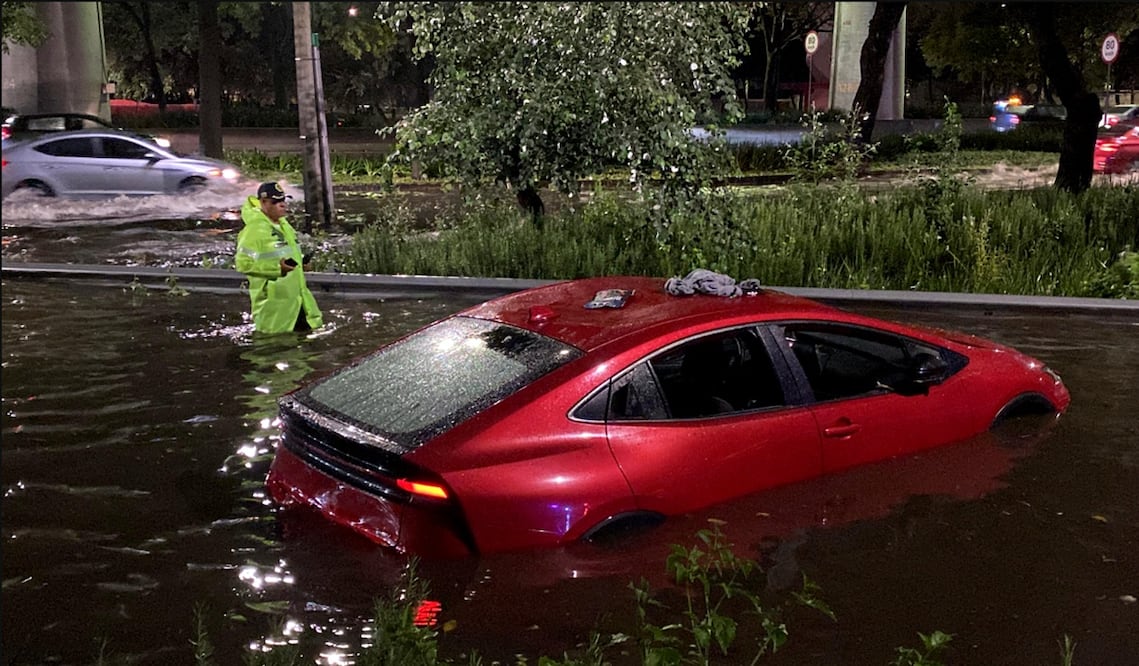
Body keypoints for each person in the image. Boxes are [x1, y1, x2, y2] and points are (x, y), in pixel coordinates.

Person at [235, 181, 324, 334]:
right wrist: (277, 269)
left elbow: (287, 252)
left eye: (283, 200)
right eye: (276, 202)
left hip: (297, 302)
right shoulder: (254, 229)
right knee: (275, 350)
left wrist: (301, 264)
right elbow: (243, 264)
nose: (282, 205)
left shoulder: (283, 224)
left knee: (306, 350)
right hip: (274, 308)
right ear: (263, 202)